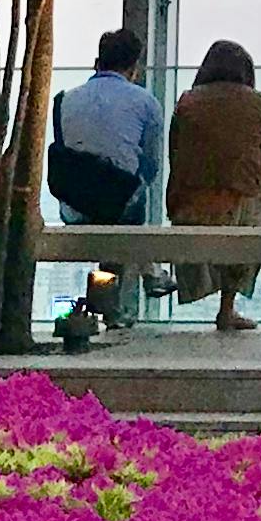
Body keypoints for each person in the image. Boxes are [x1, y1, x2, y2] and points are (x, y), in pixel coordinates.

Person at [166, 38, 261, 335]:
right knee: (254, 207)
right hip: (243, 207)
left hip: (189, 206)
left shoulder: (186, 102)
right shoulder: (260, 102)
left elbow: (175, 155)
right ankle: (229, 307)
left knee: (242, 207)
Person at [50, 27, 165, 326]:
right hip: (120, 208)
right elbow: (151, 165)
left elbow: (64, 155)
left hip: (73, 206)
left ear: (96, 63)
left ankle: (122, 294)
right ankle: (145, 275)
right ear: (134, 68)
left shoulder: (64, 100)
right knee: (129, 196)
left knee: (115, 198)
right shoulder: (146, 103)